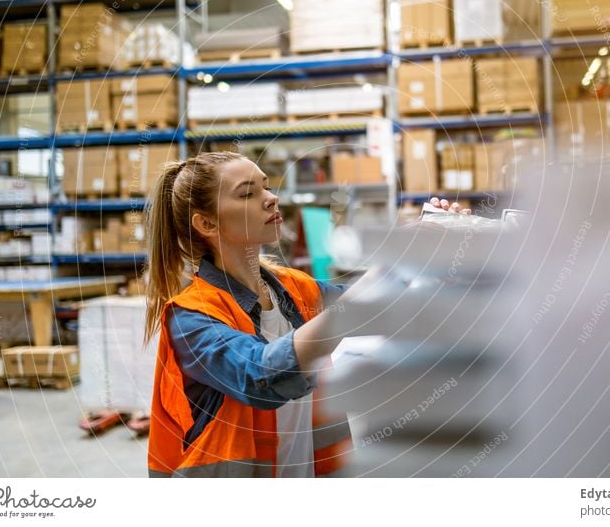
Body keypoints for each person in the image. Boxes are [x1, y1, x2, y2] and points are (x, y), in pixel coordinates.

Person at [144, 151, 470, 478]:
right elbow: (261, 377)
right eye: (248, 193)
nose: (271, 199)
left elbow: (382, 308)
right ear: (206, 223)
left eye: (267, 187)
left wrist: (435, 261)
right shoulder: (190, 317)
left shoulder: (297, 289)